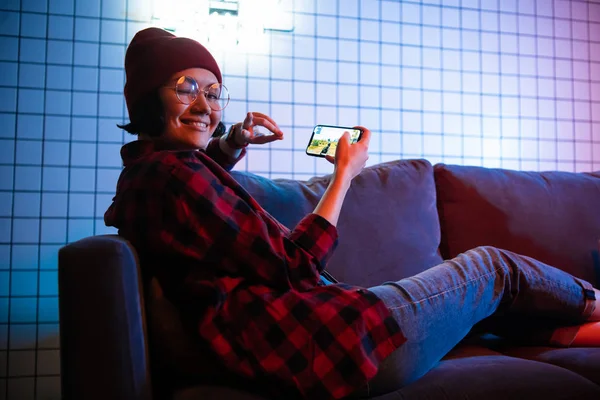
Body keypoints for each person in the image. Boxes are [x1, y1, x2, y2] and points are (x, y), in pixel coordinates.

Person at [104, 27, 600, 399]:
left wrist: (232, 141)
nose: (205, 105)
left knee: (482, 311)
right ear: (148, 97)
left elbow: (204, 201)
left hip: (313, 339)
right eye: (186, 87)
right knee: (494, 267)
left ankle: (576, 324)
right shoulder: (175, 177)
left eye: (214, 94)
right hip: (341, 343)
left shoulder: (148, 178)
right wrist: (345, 173)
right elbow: (298, 264)